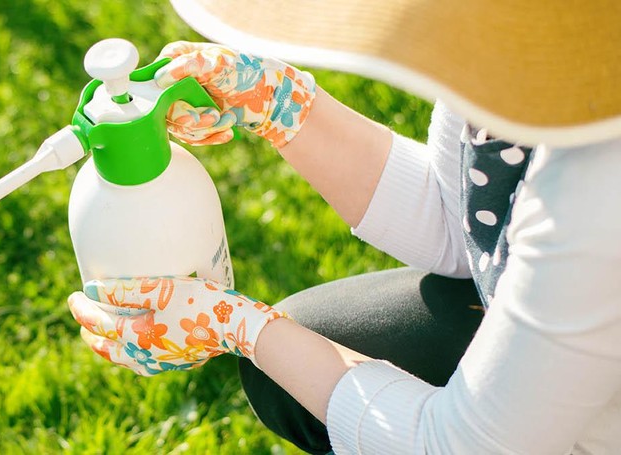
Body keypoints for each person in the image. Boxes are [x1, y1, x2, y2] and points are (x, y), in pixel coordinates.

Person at [65, 0, 621, 453]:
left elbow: (461, 448)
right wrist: (282, 104)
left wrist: (240, 327)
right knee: (300, 354)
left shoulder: (599, 187)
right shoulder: (510, 43)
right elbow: (467, 227)